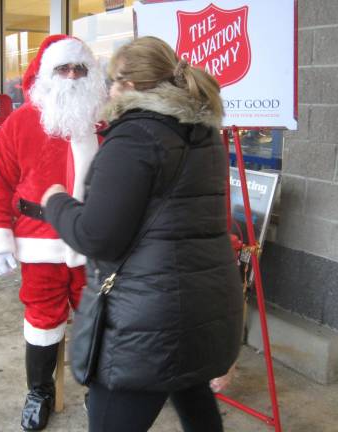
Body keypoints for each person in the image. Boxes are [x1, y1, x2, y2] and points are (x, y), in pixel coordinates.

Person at [41, 36, 243, 432]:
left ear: (130, 86)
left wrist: (57, 203)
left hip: (147, 321)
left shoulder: (134, 137)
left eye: (113, 81)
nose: (109, 90)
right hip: (202, 304)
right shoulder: (202, 133)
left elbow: (97, 237)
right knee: (192, 389)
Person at [0, 34, 106, 431]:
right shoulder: (20, 122)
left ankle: (99, 390)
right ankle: (39, 392)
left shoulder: (106, 120)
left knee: (98, 315)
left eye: (79, 69)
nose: (71, 76)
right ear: (46, 74)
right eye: (63, 68)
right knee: (42, 316)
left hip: (93, 239)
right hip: (39, 239)